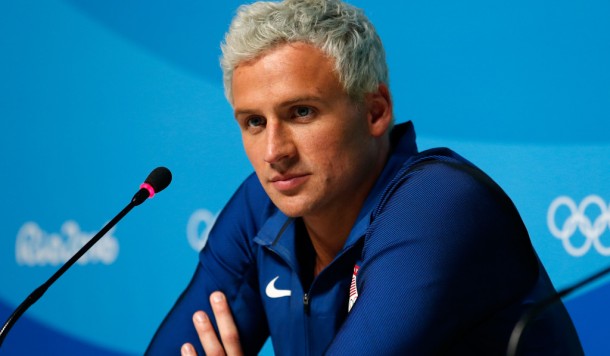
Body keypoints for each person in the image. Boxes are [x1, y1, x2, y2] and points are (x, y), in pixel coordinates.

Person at [146, 0, 583, 354]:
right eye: (254, 122)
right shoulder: (263, 203)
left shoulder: (437, 203)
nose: (274, 152)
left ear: (375, 112)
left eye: (301, 112)